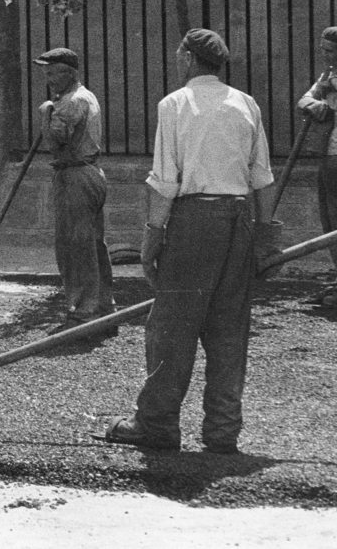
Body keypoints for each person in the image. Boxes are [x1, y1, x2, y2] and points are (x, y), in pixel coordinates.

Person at [106, 29, 276, 455]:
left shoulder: (175, 104)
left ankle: (157, 424)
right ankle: (222, 432)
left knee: (171, 329)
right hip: (238, 222)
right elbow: (262, 180)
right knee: (228, 330)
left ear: (187, 58)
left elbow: (164, 181)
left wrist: (152, 237)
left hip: (193, 223)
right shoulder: (246, 103)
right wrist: (265, 237)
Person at [34, 47, 115, 333]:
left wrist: (45, 113)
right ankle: (104, 309)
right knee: (92, 244)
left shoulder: (70, 102)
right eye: (46, 72)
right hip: (89, 173)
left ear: (70, 73)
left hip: (75, 176)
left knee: (75, 246)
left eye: (54, 72)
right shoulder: (85, 96)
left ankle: (83, 314)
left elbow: (55, 142)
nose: (48, 77)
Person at [294, 26, 337, 306]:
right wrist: (315, 103)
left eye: (330, 50)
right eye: (322, 50)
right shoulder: (327, 76)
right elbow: (304, 100)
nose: (324, 55)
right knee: (331, 220)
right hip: (330, 156)